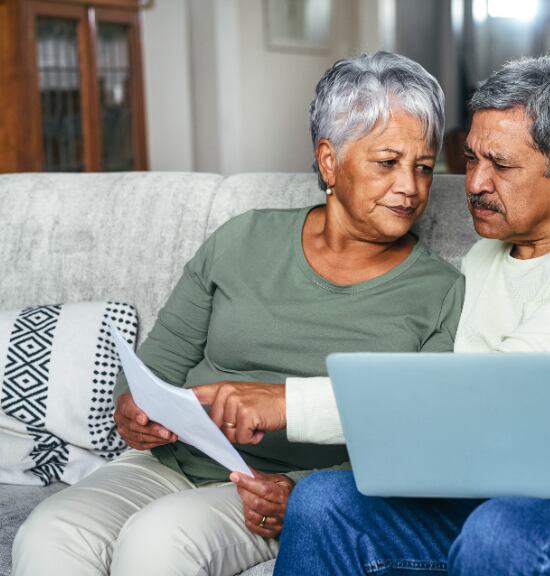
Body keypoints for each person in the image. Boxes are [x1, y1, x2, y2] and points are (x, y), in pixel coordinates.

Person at [262, 56, 550, 575]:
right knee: (323, 502)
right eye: (471, 158)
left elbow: (504, 387)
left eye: (500, 166)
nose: (475, 182)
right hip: (507, 492)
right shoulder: (487, 255)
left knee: (501, 532)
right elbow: (463, 405)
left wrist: (288, 405)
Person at [12, 51, 464, 576]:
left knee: (158, 542)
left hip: (270, 488)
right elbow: (157, 365)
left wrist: (298, 492)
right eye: (387, 163)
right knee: (48, 533)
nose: (410, 187)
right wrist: (133, 412)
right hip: (169, 463)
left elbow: (412, 433)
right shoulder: (242, 239)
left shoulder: (441, 291)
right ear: (329, 161)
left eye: (423, 167)